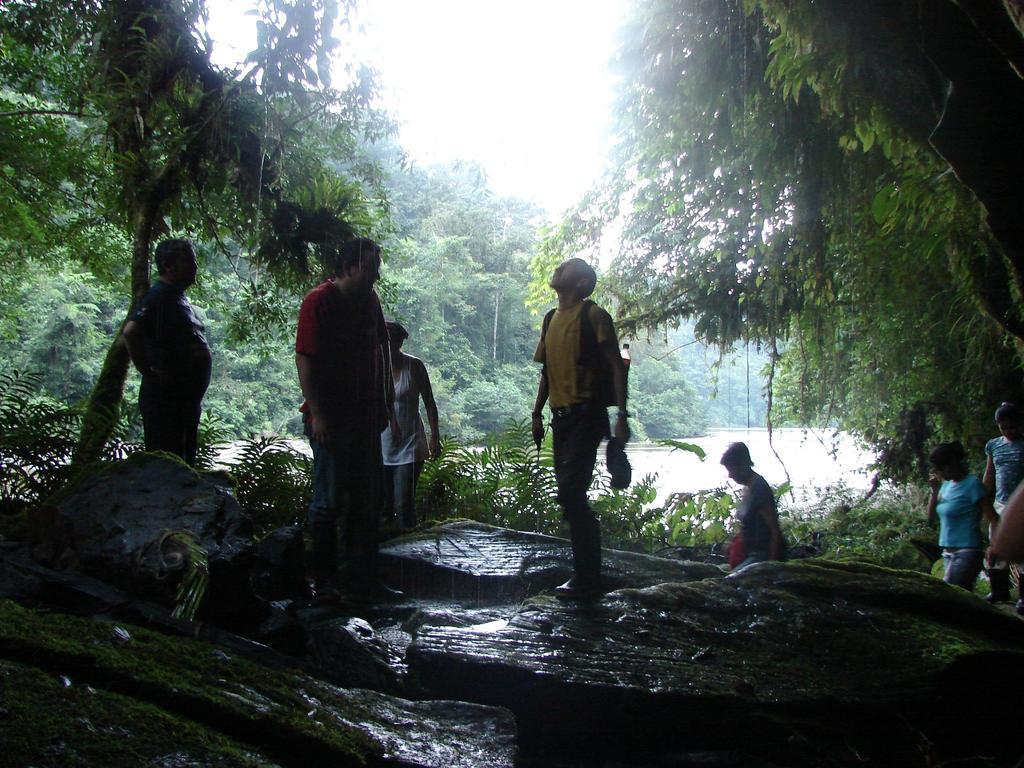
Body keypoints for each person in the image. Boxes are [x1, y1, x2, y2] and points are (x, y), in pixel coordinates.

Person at [295, 237, 395, 599]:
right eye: (371, 267)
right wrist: (318, 413)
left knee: (367, 502)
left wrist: (384, 401)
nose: (376, 275)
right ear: (350, 266)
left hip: (365, 418)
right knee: (329, 502)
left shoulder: (369, 302)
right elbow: (305, 358)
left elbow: (381, 351)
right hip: (331, 420)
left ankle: (364, 579)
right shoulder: (319, 301)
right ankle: (324, 584)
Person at [531, 257, 629, 598]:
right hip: (561, 420)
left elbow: (617, 366)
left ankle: (588, 577)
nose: (559, 267)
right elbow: (547, 373)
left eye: (569, 267)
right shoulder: (549, 320)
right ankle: (585, 572)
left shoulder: (593, 316)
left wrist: (622, 416)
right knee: (570, 495)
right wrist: (535, 413)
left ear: (582, 283)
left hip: (588, 417)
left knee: (571, 493)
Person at [122, 238, 211, 467]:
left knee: (182, 460)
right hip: (166, 401)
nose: (195, 266)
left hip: (182, 401)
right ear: (169, 266)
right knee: (169, 464)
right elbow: (131, 331)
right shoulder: (159, 295)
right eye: (188, 261)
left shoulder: (174, 296)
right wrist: (149, 371)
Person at [380, 320, 440, 530]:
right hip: (381, 444)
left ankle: (411, 554)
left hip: (411, 443)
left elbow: (430, 403)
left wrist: (435, 436)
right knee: (383, 506)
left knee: (403, 503)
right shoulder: (374, 367)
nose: (387, 345)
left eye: (391, 340)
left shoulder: (414, 366)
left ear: (399, 342)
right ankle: (387, 554)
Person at [927, 441, 998, 590]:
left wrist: (994, 546)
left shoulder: (973, 484)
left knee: (953, 593)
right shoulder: (945, 486)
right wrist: (934, 492)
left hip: (968, 551)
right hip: (947, 553)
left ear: (951, 464)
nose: (939, 472)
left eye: (941, 468)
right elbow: (930, 519)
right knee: (959, 599)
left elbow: (993, 518)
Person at [982, 402, 1024, 603]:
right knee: (996, 546)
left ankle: (1023, 597)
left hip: (1020, 505)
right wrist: (983, 497)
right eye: (1003, 427)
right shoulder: (993, 446)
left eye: (1012, 427)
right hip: (999, 502)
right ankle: (999, 590)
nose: (1008, 431)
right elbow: (990, 474)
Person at [720, 442, 785, 570]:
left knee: (729, 581)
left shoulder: (759, 488)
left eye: (731, 469)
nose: (730, 475)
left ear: (742, 466)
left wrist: (771, 566)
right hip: (749, 553)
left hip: (762, 555)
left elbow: (774, 530)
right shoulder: (748, 487)